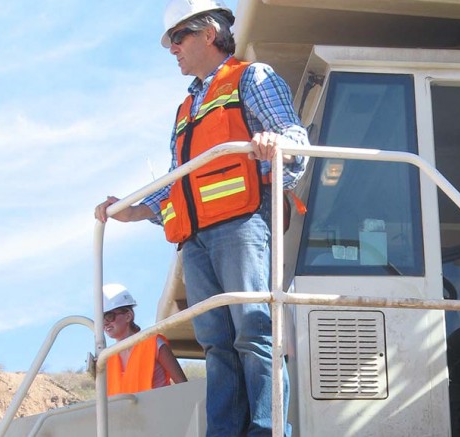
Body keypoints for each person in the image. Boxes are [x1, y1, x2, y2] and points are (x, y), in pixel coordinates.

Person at [94, 0, 307, 435]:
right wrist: (132, 209)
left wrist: (273, 143)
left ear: (208, 34)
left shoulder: (251, 76)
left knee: (254, 332)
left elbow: (294, 140)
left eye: (177, 37)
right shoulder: (185, 109)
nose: (171, 49)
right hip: (195, 239)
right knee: (216, 344)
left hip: (243, 225)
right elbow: (180, 184)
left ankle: (266, 430)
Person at [102, 283, 187, 396]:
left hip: (159, 411)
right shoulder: (107, 358)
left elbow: (183, 387)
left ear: (128, 316)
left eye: (109, 316)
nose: (105, 322)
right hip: (124, 414)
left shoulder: (154, 344)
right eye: (101, 318)